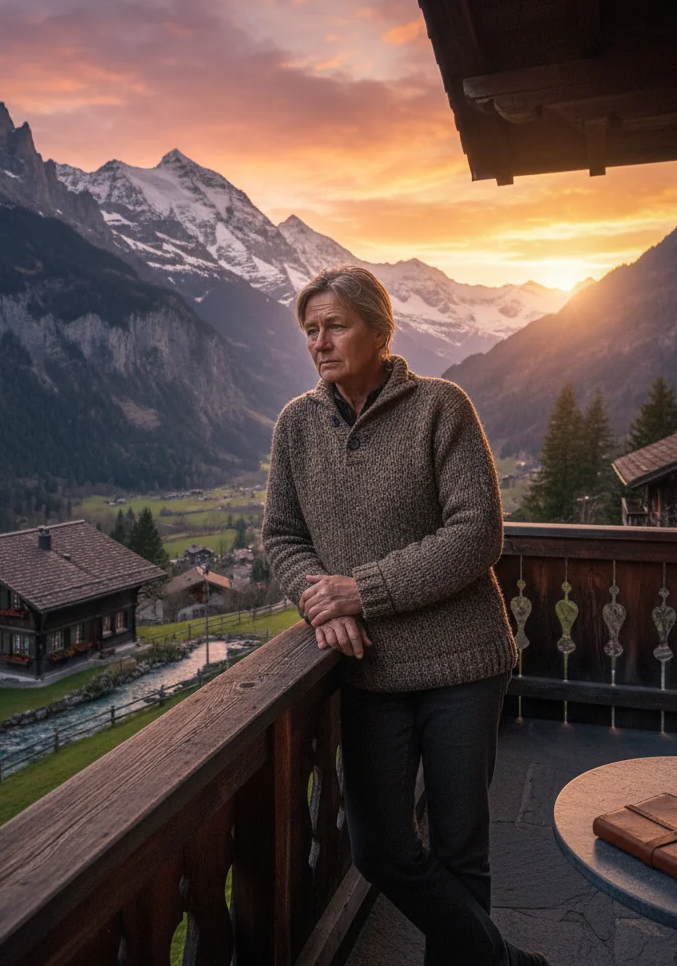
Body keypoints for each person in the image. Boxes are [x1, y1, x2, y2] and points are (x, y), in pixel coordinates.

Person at [262, 265, 550, 966]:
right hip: (370, 673)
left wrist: (359, 592)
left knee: (459, 848)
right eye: (310, 330)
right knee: (382, 849)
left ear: (379, 330)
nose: (319, 343)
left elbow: (478, 532)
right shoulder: (296, 426)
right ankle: (508, 963)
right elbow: (280, 537)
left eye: (335, 325)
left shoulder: (441, 408)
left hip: (462, 666)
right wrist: (314, 597)